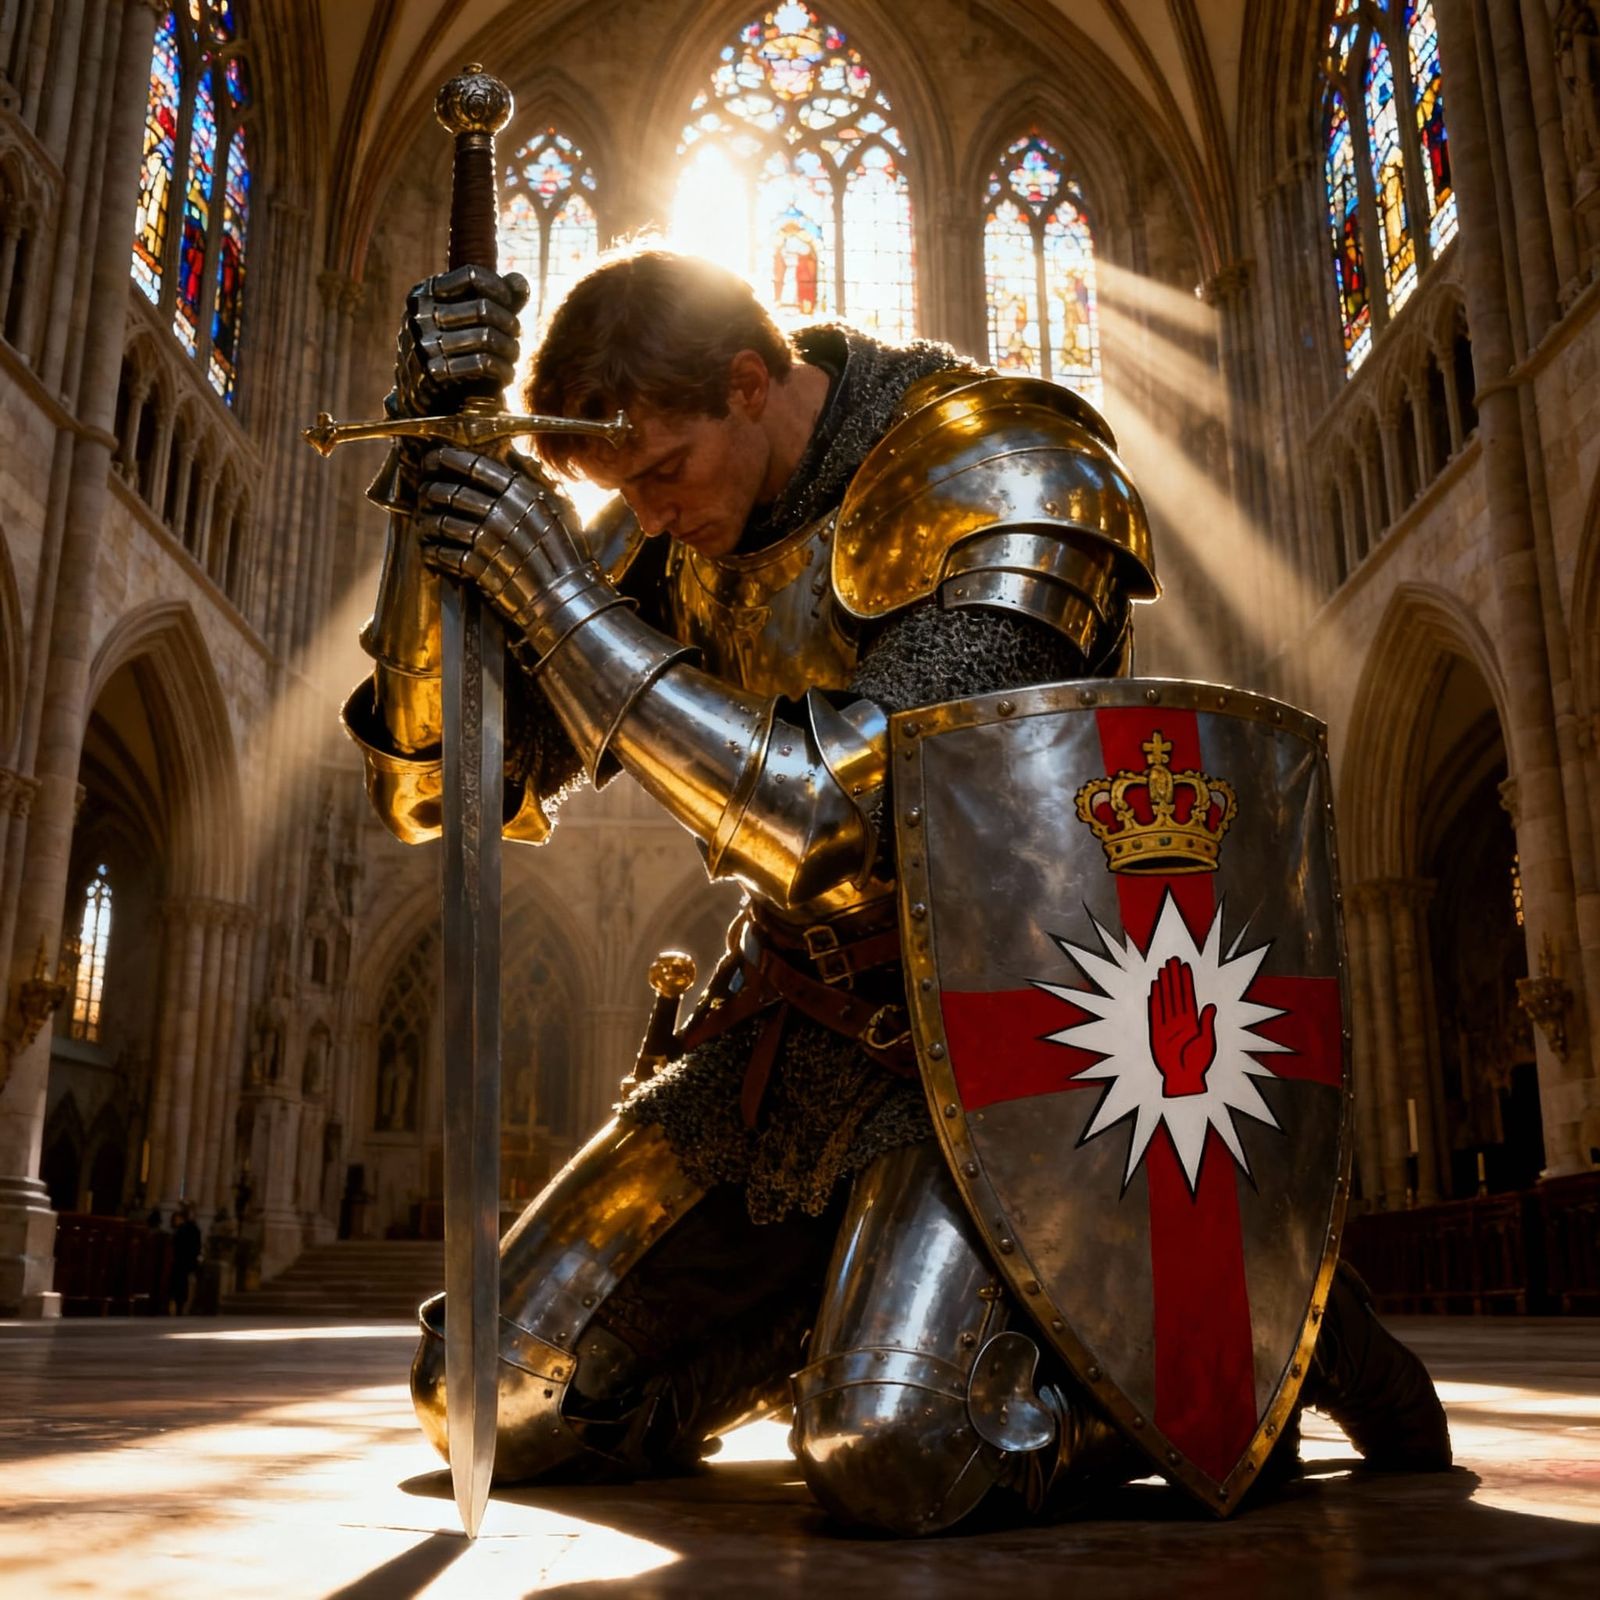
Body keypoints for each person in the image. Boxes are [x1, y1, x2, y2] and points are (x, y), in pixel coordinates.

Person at [344, 249, 1450, 1533]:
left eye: (659, 474)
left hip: (1008, 1039)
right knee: (482, 1386)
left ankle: (1271, 1344)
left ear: (749, 384)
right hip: (790, 1030)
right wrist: (434, 469)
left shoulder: (1001, 468)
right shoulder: (677, 514)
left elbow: (848, 823)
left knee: (897, 1449)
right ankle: (851, 1315)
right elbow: (436, 786)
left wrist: (557, 600)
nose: (645, 517)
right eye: (623, 490)